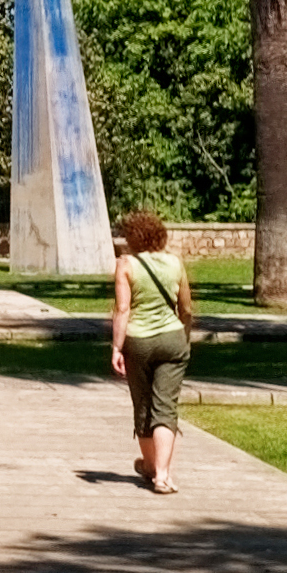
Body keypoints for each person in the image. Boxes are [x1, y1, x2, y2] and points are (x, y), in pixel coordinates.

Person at [108, 206, 196, 493]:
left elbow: (123, 309)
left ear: (132, 238)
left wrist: (116, 348)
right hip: (172, 339)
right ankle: (162, 475)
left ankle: (149, 464)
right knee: (165, 407)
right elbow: (186, 308)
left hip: (139, 341)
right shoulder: (175, 263)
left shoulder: (126, 265)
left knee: (144, 404)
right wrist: (184, 337)